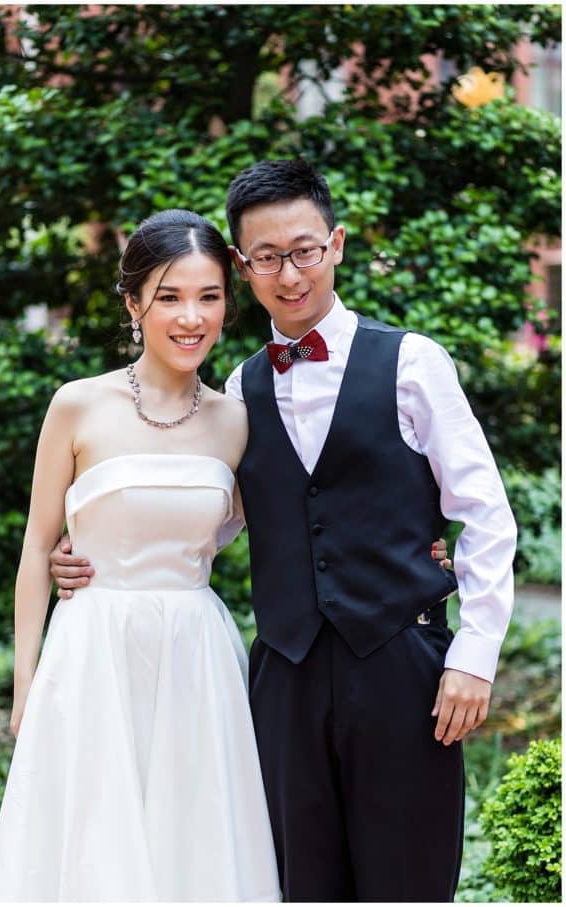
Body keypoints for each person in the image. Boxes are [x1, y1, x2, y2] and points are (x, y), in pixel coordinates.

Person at [52, 160, 517, 901]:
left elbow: (487, 514)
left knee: (409, 880)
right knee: (294, 883)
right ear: (243, 265)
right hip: (284, 676)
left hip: (403, 667)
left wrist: (475, 655)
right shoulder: (236, 390)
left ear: (335, 243)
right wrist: (87, 545)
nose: (289, 273)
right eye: (266, 258)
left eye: (304, 250)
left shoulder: (413, 363)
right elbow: (216, 519)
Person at [0, 210, 281, 902]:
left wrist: (424, 546)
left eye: (208, 297)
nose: (190, 317)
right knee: (91, 849)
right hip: (91, 650)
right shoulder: (78, 406)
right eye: (169, 297)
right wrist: (25, 686)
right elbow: (34, 545)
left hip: (197, 656)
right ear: (133, 302)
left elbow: (270, 525)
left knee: (195, 849)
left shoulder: (237, 419)